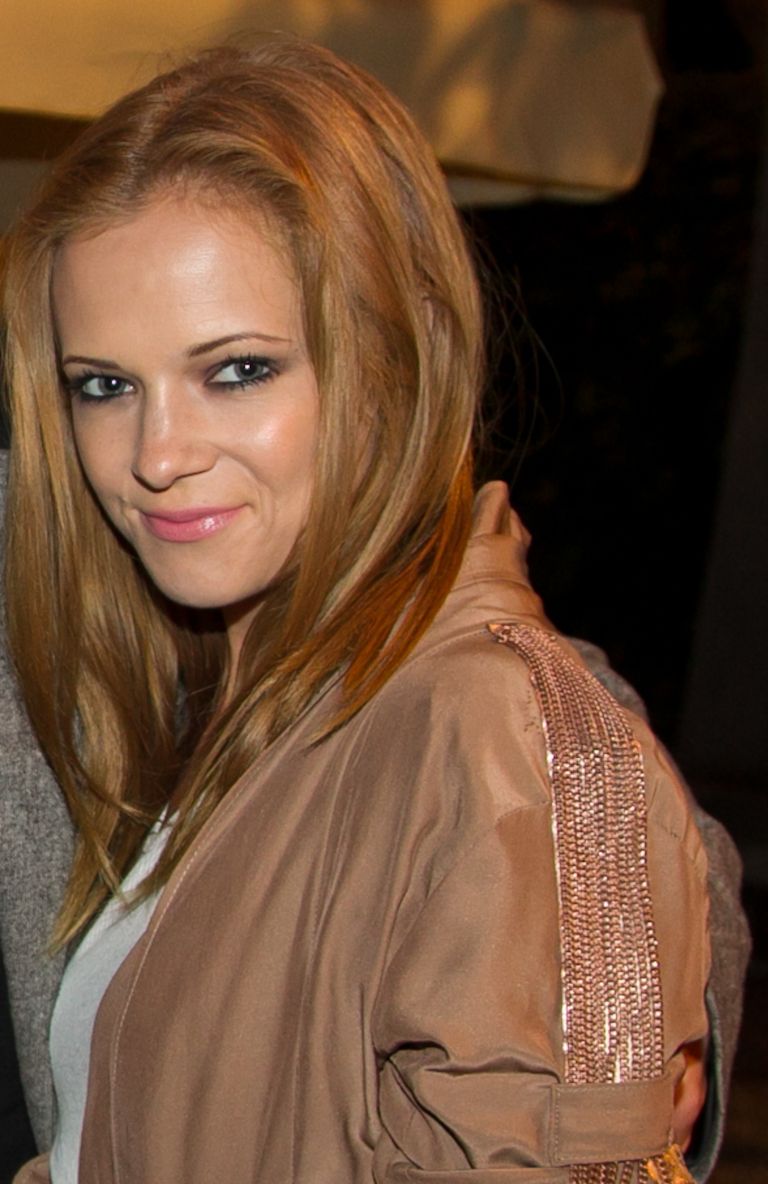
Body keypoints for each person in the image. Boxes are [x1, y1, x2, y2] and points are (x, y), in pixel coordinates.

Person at [0, 35, 730, 1184]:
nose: (157, 452)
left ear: (397, 354)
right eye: (105, 384)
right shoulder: (233, 679)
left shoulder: (495, 724)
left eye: (237, 369)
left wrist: (623, 1029)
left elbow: (570, 777)